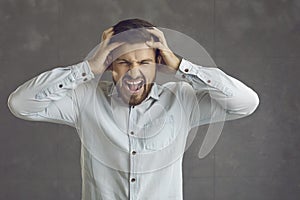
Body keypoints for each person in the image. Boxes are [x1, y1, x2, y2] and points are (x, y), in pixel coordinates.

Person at [7, 18, 259, 200]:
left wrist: (182, 65)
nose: (134, 71)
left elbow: (246, 103)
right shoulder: (85, 100)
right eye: (124, 62)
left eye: (144, 62)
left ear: (158, 64)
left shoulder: (182, 101)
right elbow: (21, 104)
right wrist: (87, 68)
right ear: (109, 66)